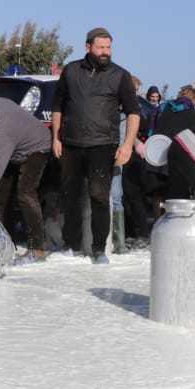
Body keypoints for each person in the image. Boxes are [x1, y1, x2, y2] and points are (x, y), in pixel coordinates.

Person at [51, 27, 140, 264]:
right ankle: (72, 244)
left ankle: (99, 249)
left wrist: (128, 145)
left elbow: (133, 113)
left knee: (99, 196)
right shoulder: (70, 71)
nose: (105, 52)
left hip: (103, 145)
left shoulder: (120, 75)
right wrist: (56, 138)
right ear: (88, 47)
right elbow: (58, 105)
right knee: (71, 196)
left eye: (108, 47)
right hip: (71, 144)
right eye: (100, 47)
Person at [0, 95, 52, 261]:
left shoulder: (1, 132)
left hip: (38, 147)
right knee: (1, 196)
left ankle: (38, 247)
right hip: (15, 149)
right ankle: (6, 242)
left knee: (25, 193)